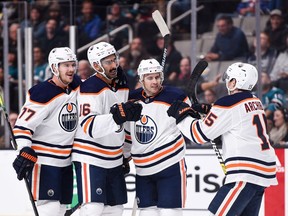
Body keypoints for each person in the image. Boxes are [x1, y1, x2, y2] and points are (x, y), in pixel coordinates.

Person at [167, 62, 278, 215]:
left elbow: (199, 135)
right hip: (261, 174)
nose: (227, 82)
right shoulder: (255, 101)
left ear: (234, 82)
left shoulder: (228, 103)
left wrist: (181, 116)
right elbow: (237, 119)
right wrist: (211, 109)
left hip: (244, 174)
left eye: (230, 79)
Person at [71, 42, 142, 216]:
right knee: (93, 208)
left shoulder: (122, 86)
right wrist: (118, 116)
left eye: (114, 60)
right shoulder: (90, 87)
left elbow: (124, 125)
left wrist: (125, 154)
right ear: (96, 66)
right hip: (91, 157)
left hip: (114, 158)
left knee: (115, 210)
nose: (114, 65)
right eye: (108, 62)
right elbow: (89, 126)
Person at [12, 47, 81, 215]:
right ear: (55, 68)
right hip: (44, 164)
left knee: (62, 209)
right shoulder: (42, 93)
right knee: (48, 209)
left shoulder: (77, 87)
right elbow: (22, 127)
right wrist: (24, 150)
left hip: (66, 162)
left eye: (73, 65)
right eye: (66, 65)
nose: (71, 69)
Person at [124, 58, 192, 216]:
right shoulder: (131, 99)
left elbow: (191, 128)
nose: (155, 81)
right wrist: (124, 156)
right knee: (146, 213)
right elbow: (128, 133)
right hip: (142, 169)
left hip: (170, 164)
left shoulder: (176, 96)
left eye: (157, 77)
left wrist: (193, 112)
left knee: (170, 213)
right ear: (141, 79)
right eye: (150, 78)